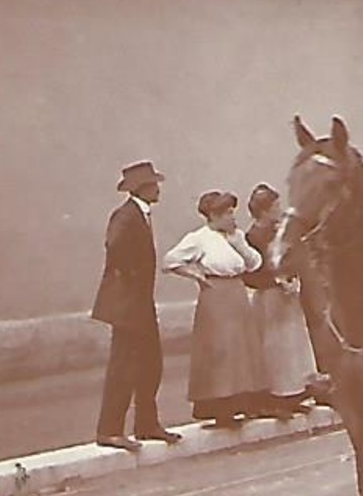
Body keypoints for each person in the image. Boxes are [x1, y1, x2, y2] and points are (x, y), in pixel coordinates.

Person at [91, 160, 180, 451]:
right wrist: (130, 277)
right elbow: (114, 246)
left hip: (140, 301)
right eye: (154, 185)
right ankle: (109, 430)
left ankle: (146, 425)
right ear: (143, 188)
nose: (158, 189)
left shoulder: (139, 215)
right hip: (128, 304)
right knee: (124, 365)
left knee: (150, 363)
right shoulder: (126, 216)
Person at [164, 190, 264, 427]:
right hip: (216, 296)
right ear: (214, 215)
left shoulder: (236, 236)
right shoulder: (200, 238)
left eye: (232, 212)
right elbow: (170, 260)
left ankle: (244, 403)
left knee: (241, 350)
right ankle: (221, 409)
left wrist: (240, 245)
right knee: (221, 352)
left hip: (237, 293)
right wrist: (196, 275)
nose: (232, 218)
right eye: (228, 213)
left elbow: (255, 263)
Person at [244, 183, 320, 421]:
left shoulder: (280, 231)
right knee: (275, 346)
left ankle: (295, 394)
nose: (279, 209)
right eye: (275, 206)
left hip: (288, 293)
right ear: (264, 210)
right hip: (269, 296)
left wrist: (294, 277)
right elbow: (253, 270)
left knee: (293, 346)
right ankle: (277, 397)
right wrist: (277, 280)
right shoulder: (252, 236)